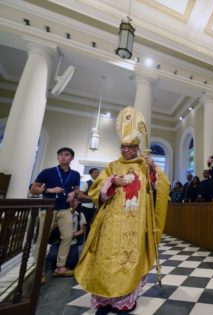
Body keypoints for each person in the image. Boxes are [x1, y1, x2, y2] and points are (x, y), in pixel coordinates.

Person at [74, 107, 170, 315]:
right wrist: (110, 182)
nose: (125, 150)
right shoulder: (113, 166)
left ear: (136, 148)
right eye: (122, 147)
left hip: (135, 224)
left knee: (127, 261)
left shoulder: (145, 166)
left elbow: (159, 189)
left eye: (129, 147)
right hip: (111, 222)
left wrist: (153, 170)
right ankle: (104, 300)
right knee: (106, 259)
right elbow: (96, 191)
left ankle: (125, 300)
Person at [30, 147, 81, 277]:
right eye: (60, 155)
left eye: (67, 155)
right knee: (42, 239)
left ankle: (60, 267)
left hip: (64, 209)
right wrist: (48, 190)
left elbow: (77, 190)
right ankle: (38, 272)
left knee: (68, 236)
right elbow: (33, 189)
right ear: (57, 157)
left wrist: (72, 193)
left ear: (72, 158)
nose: (63, 157)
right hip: (48, 209)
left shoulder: (75, 174)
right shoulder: (48, 172)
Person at [78, 167, 100, 238]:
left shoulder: (100, 184)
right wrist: (91, 198)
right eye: (95, 172)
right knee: (85, 225)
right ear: (91, 174)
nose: (97, 173)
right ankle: (82, 243)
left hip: (96, 208)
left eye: (98, 172)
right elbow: (80, 195)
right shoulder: (86, 183)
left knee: (93, 225)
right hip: (86, 207)